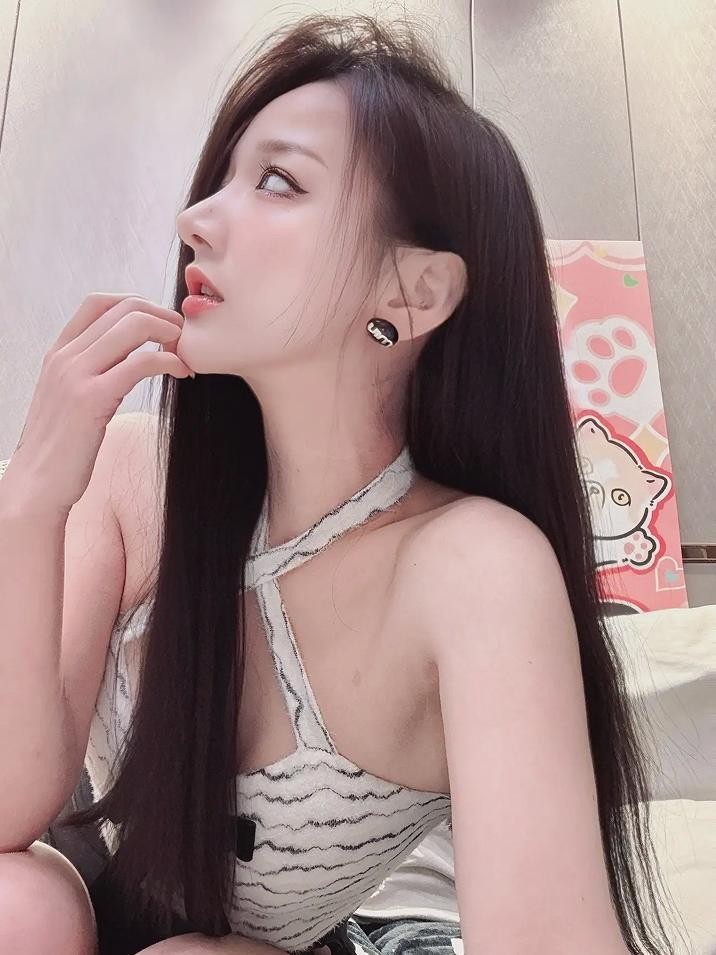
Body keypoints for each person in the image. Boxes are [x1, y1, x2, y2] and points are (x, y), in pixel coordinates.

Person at [0, 12, 684, 955]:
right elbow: (8, 804)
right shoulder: (132, 472)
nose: (195, 220)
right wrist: (30, 500)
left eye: (277, 181)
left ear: (414, 293)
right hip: (67, 898)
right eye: (222, 177)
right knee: (22, 906)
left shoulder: (470, 567)